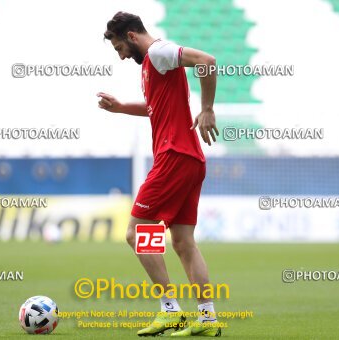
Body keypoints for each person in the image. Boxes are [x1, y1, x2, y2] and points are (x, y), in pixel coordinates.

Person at [98, 11, 220, 337]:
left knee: (136, 233)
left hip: (174, 156)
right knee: (182, 242)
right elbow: (154, 108)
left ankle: (170, 310)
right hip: (191, 159)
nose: (122, 56)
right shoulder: (153, 67)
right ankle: (207, 319)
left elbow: (207, 60)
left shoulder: (158, 52)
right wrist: (122, 107)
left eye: (120, 48)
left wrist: (207, 109)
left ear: (133, 36)